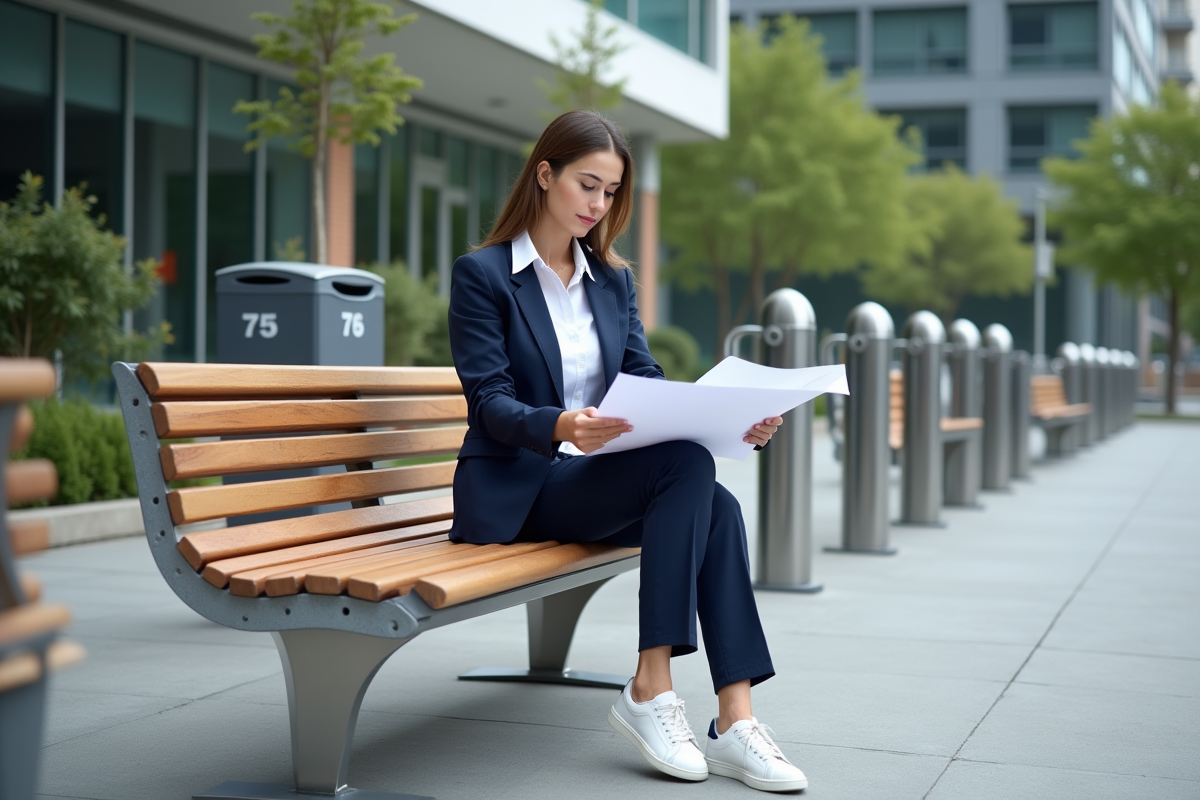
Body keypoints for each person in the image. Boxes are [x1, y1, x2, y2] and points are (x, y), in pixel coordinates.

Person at [446, 109, 807, 793]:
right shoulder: (485, 276)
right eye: (588, 185)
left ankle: (735, 718)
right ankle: (651, 686)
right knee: (689, 473)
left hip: (590, 483)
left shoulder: (609, 279)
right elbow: (488, 403)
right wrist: (560, 426)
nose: (598, 204)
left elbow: (642, 379)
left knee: (718, 508)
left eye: (611, 192)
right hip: (521, 488)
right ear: (545, 175)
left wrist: (731, 418)